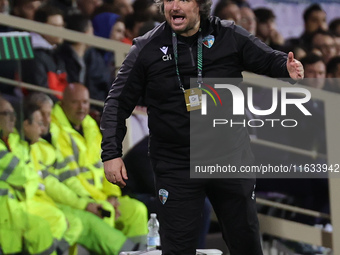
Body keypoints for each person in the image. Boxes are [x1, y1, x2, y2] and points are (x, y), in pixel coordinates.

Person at [100, 0, 304, 254]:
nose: (174, 6)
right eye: (168, 0)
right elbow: (117, 103)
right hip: (175, 164)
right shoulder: (146, 47)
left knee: (246, 244)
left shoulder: (229, 34)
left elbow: (268, 59)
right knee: (177, 249)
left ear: (200, 5)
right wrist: (111, 153)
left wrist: (286, 66)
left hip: (229, 157)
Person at [51, 83, 148, 243]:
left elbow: (107, 164)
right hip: (84, 198)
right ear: (63, 103)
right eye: (75, 102)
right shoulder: (55, 131)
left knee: (137, 210)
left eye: (85, 102)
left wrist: (112, 195)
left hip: (102, 195)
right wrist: (95, 200)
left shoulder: (91, 126)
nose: (81, 107)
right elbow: (70, 177)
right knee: (107, 212)